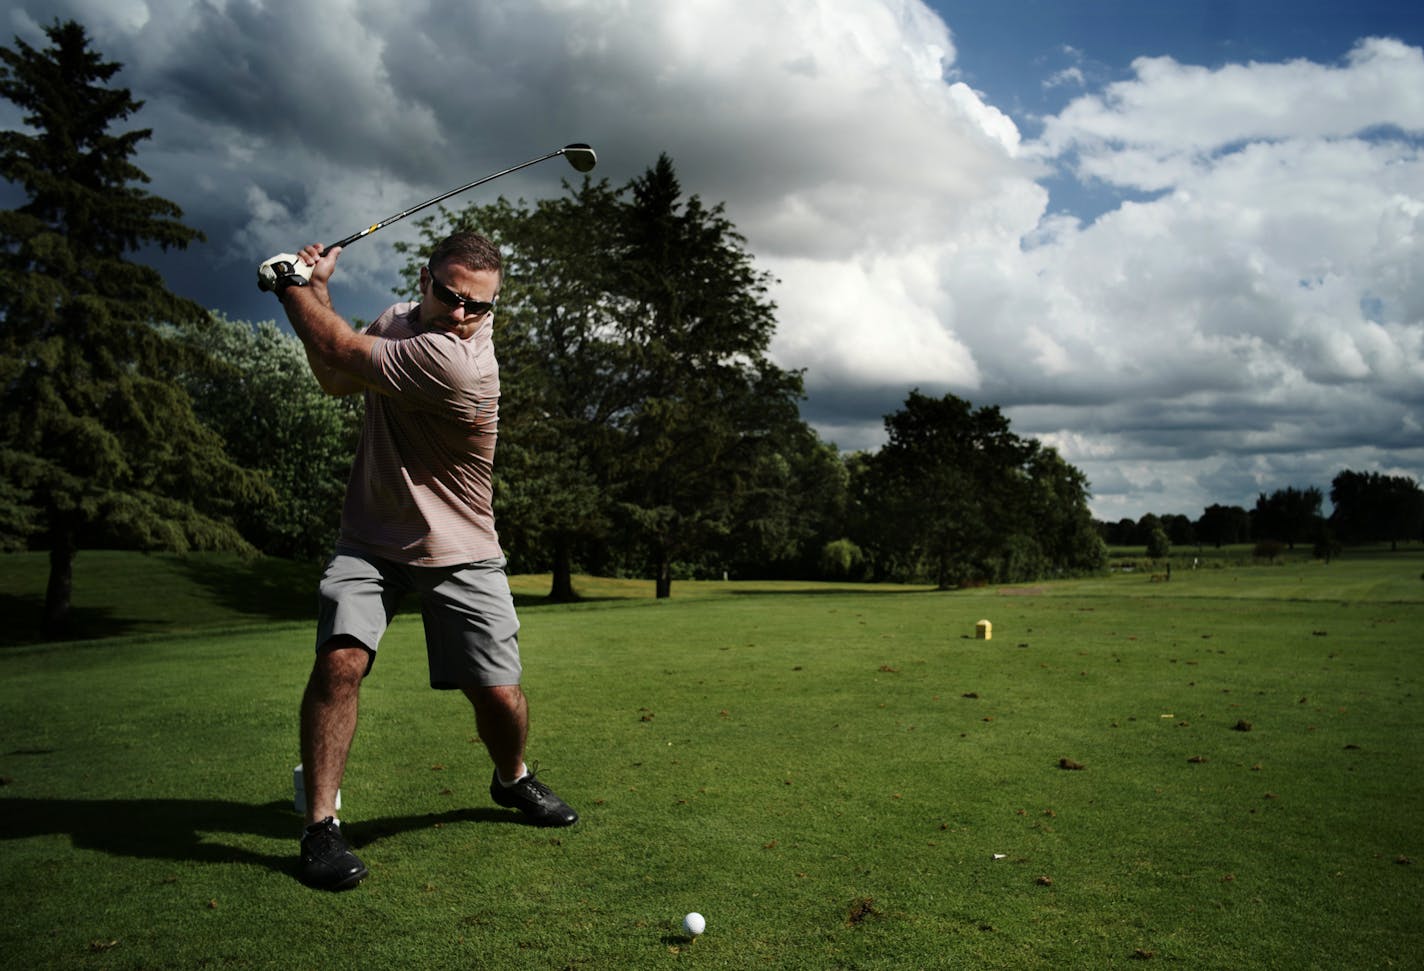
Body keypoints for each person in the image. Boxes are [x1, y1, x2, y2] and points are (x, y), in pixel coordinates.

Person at [269, 231, 577, 892]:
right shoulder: (397, 323)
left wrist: (289, 285)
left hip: (460, 547)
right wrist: (318, 287)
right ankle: (320, 825)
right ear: (426, 278)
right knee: (339, 659)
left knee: (496, 692)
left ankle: (512, 776)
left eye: (480, 306)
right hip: (371, 538)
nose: (463, 314)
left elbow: (332, 344)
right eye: (451, 295)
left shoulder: (461, 362)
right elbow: (333, 375)